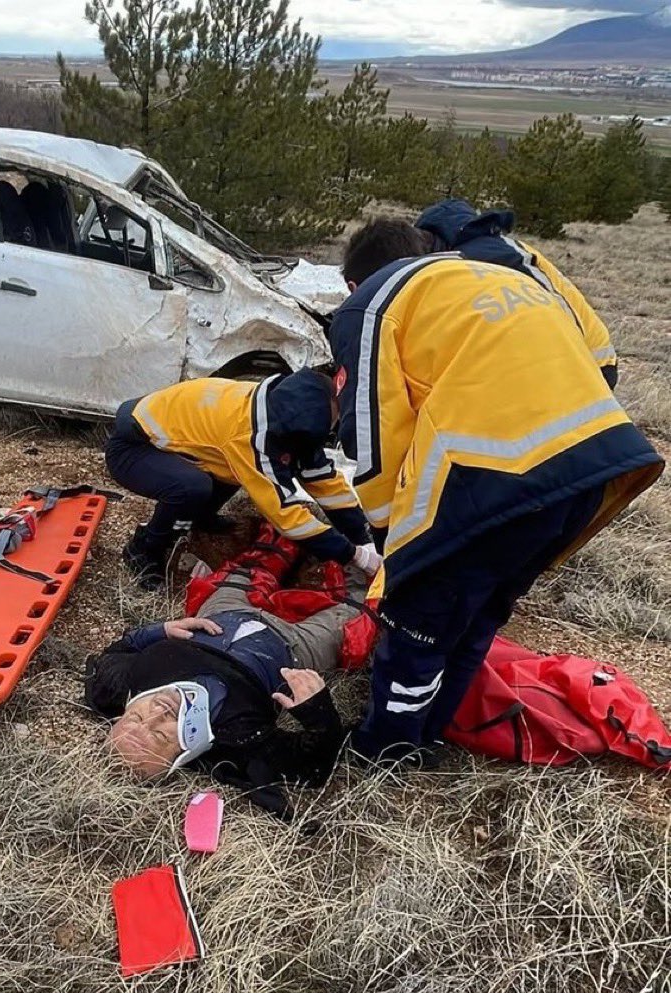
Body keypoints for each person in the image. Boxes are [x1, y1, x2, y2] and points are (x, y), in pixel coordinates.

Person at [327, 221, 664, 766]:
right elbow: (598, 358)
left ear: (352, 283)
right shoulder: (491, 276)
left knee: (417, 626)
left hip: (493, 475)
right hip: (593, 469)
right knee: (477, 617)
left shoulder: (370, 305)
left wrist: (396, 543)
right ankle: (432, 732)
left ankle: (385, 753)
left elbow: (371, 431)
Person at [84, 535, 365, 817]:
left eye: (136, 718)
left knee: (260, 558)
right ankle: (358, 549)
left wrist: (160, 630)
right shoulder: (237, 739)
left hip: (221, 615)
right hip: (292, 645)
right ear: (185, 753)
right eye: (159, 734)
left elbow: (116, 651)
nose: (158, 712)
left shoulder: (119, 683)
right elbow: (314, 767)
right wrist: (317, 710)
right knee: (359, 609)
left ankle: (309, 527)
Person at [104, 369, 381, 588]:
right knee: (192, 487)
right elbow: (287, 517)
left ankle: (200, 518)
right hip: (133, 448)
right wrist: (353, 555)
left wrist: (361, 535)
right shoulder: (251, 436)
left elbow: (322, 479)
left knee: (231, 470)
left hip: (176, 440)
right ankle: (144, 549)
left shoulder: (281, 407)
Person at [414, 199, 618, 389]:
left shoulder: (478, 258)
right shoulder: (509, 247)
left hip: (586, 361)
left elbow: (551, 302)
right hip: (586, 355)